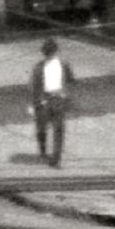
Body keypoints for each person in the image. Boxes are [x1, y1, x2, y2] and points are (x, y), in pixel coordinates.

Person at [30, 37, 74, 168]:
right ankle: (55, 156)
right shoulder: (63, 64)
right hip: (57, 98)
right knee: (57, 129)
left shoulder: (39, 67)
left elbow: (35, 87)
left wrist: (37, 102)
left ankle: (47, 153)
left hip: (46, 100)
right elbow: (71, 79)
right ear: (56, 51)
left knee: (43, 127)